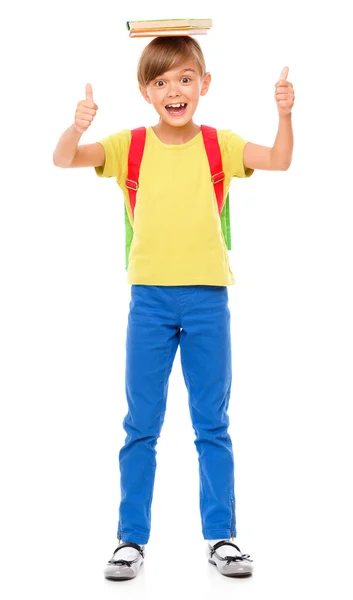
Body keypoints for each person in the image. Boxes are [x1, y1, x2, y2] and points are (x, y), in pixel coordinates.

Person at [53, 35, 294, 580]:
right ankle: (130, 540)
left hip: (209, 299)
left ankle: (222, 538)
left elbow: (279, 160)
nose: (174, 90)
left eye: (185, 78)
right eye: (160, 81)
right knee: (141, 424)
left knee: (213, 423)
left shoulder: (220, 144)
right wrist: (79, 125)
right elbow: (64, 158)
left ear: (204, 85)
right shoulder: (129, 146)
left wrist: (283, 113)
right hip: (149, 302)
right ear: (145, 92)